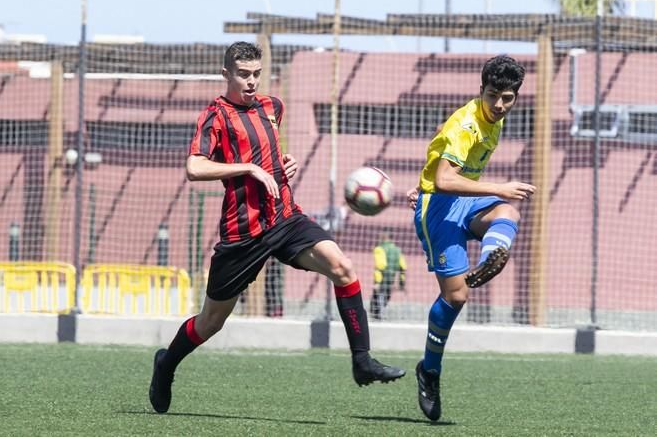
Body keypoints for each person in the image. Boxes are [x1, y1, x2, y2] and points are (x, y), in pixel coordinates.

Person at [149, 41, 405, 414]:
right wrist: (248, 169)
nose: (251, 81)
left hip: (285, 217)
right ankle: (166, 363)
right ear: (226, 74)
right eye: (243, 74)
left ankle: (362, 360)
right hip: (243, 232)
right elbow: (195, 167)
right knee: (211, 322)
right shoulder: (214, 115)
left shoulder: (273, 107)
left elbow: (267, 154)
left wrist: (284, 165)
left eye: (256, 73)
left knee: (343, 267)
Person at [406, 55, 534, 422]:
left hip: (464, 199)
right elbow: (445, 179)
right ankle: (429, 371)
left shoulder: (496, 117)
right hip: (439, 208)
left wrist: (424, 177)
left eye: (507, 97)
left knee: (509, 212)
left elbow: (442, 161)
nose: (498, 104)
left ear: (515, 97)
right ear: (481, 90)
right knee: (457, 295)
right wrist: (499, 186)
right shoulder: (466, 124)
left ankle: (494, 255)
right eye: (493, 95)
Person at [369, 230, 406, 321]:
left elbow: (380, 266)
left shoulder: (379, 249)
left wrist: (377, 282)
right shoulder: (397, 250)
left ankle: (377, 315)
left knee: (377, 297)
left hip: (382, 278)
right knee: (386, 296)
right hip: (391, 279)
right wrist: (402, 283)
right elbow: (403, 267)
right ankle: (380, 313)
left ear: (385, 237)